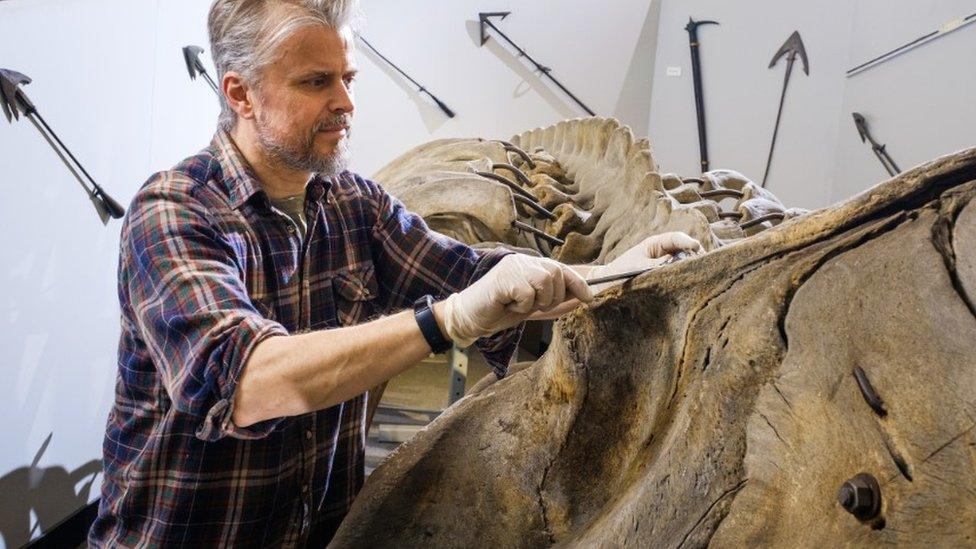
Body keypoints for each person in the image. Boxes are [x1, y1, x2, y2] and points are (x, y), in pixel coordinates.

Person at [88, 0, 703, 546]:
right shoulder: (172, 211)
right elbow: (246, 382)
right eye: (316, 82)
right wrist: (447, 320)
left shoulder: (355, 203)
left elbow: (481, 276)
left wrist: (609, 273)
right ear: (240, 93)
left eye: (348, 79)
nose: (346, 104)